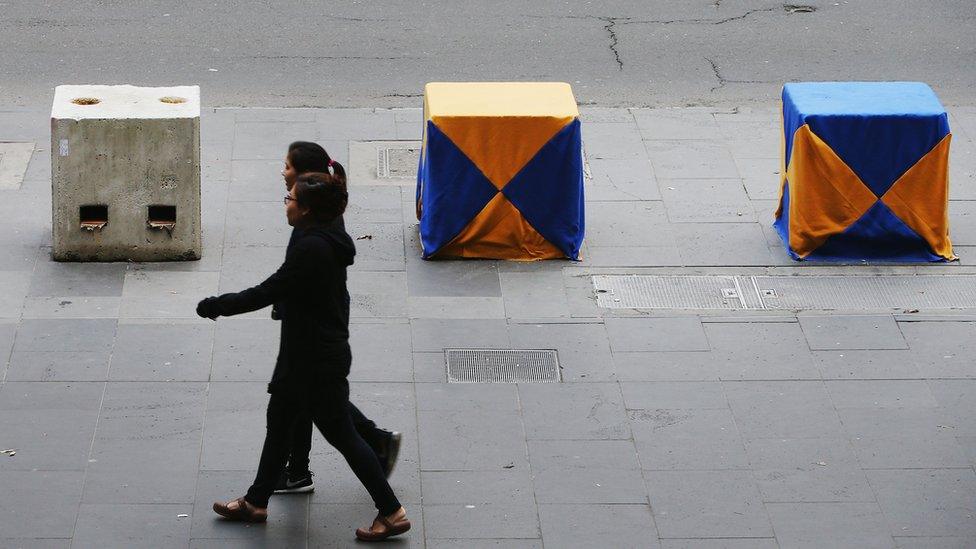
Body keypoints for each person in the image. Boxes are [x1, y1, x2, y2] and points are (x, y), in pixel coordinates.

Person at [197, 171, 410, 541]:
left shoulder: (313, 248)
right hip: (306, 355)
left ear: (307, 210)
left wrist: (218, 305)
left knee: (342, 434)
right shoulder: (323, 234)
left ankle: (391, 511)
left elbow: (268, 290)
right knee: (279, 423)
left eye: (290, 199)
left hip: (313, 361)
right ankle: (256, 500)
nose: (286, 203)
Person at [273, 142, 400, 494]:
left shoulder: (311, 218)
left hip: (315, 328)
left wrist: (261, 299)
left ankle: (377, 464)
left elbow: (297, 273)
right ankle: (298, 469)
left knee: (316, 402)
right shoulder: (317, 208)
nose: (282, 172)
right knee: (310, 397)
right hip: (315, 321)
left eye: (286, 166)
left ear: (303, 177)